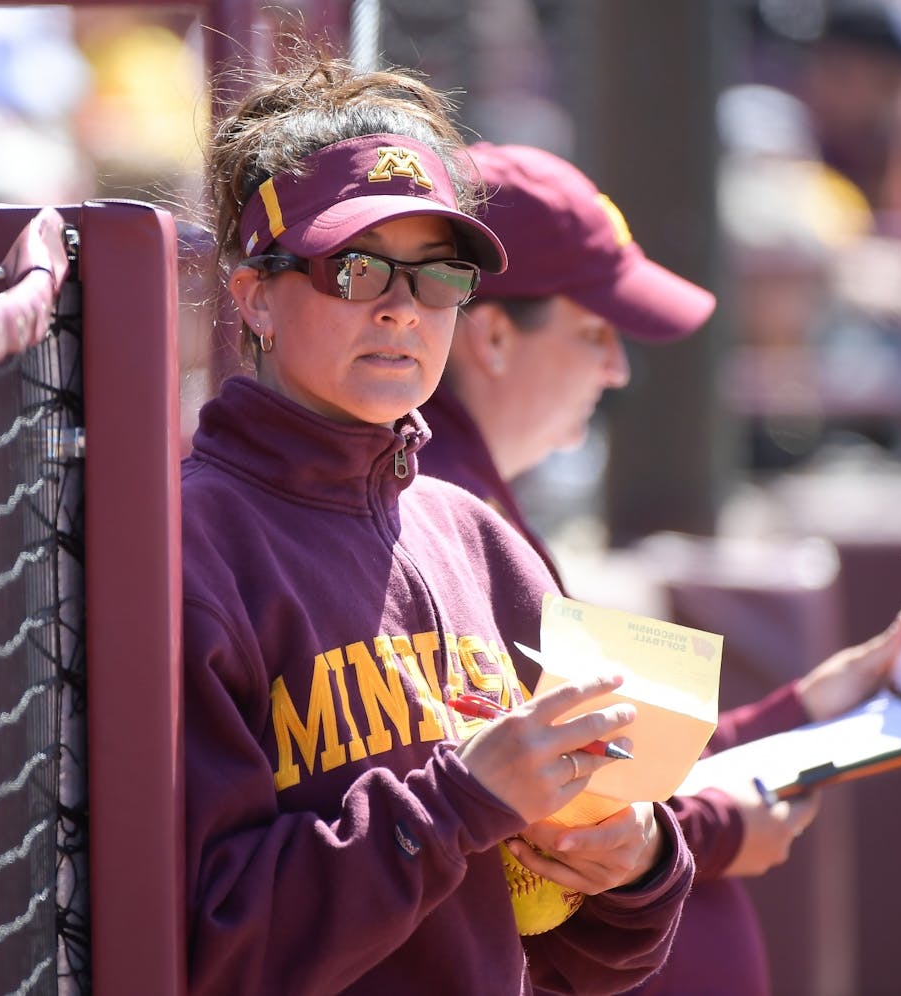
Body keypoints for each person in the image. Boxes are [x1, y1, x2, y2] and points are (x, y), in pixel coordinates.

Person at [180, 52, 694, 995]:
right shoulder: (187, 550)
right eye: (356, 268)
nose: (401, 310)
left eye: (439, 277)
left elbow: (590, 960)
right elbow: (210, 945)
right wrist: (458, 802)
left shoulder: (478, 538)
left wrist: (638, 863)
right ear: (253, 293)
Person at [418, 141, 901, 995]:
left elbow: (621, 761)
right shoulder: (434, 507)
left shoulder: (477, 497)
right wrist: (717, 827)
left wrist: (806, 709)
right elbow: (539, 824)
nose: (617, 367)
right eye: (594, 331)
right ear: (492, 333)